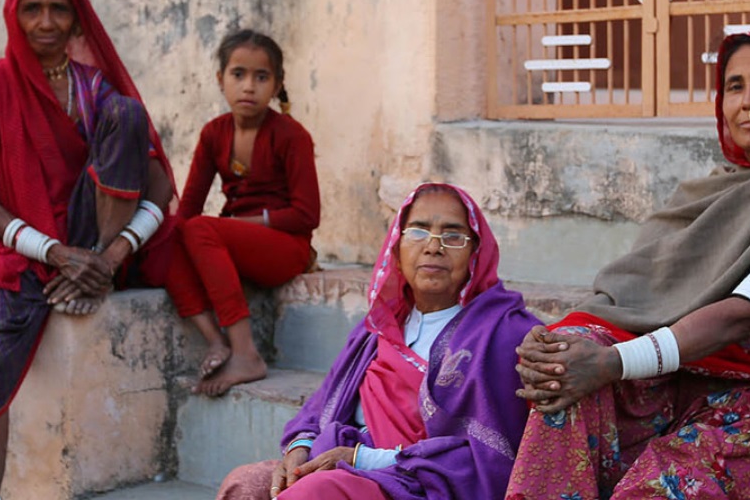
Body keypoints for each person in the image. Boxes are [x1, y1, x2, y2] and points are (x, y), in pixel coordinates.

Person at [506, 28, 750, 499]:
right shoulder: (703, 197)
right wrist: (557, 348)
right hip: (669, 382)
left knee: (661, 483)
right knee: (567, 365)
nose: (748, 101)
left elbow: (743, 313)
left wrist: (610, 362)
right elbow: (630, 302)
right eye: (735, 87)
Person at [0, 0, 175, 500]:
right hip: (17, 240)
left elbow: (159, 187)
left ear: (76, 19)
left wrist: (107, 258)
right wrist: (53, 252)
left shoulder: (97, 90)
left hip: (93, 244)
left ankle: (96, 273)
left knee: (132, 116)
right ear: (13, 17)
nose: (45, 21)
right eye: (32, 9)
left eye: (58, 9)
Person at [216, 183, 540, 499]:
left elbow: (488, 457)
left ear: (476, 252)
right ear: (396, 248)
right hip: (340, 461)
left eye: (453, 235)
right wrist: (300, 450)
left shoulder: (501, 335)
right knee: (245, 485)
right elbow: (321, 406)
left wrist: (361, 459)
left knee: (318, 492)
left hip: (418, 483)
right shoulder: (376, 331)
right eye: (418, 231)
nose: (433, 246)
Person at [164, 29, 320, 396]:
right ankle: (216, 341)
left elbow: (306, 215)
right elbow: (189, 210)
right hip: (234, 243)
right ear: (221, 80)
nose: (248, 86)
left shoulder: (291, 135)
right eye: (238, 75)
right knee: (168, 241)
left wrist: (240, 224)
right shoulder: (213, 134)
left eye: (261, 77)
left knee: (200, 230)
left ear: (277, 84)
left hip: (285, 248)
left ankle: (246, 353)